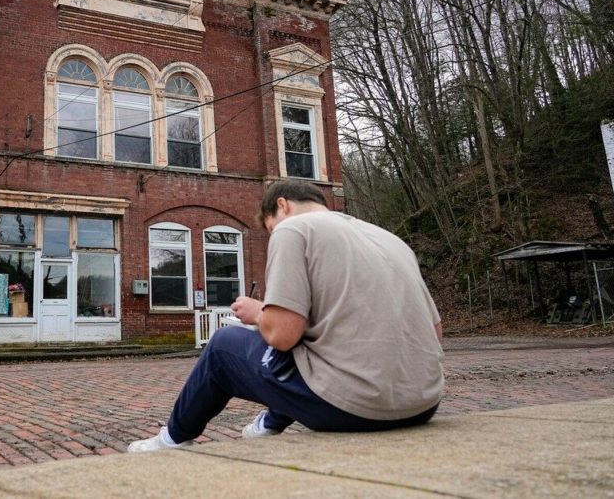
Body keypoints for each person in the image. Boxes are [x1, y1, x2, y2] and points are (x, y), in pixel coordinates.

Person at [128, 180, 444, 452]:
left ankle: (171, 439)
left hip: (355, 408)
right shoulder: (391, 239)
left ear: (282, 205)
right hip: (422, 404)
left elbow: (283, 334)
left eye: (269, 229)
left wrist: (258, 312)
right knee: (310, 346)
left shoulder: (292, 228)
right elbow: (435, 333)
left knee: (225, 345)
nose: (272, 235)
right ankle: (268, 424)